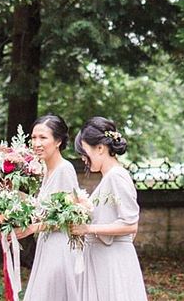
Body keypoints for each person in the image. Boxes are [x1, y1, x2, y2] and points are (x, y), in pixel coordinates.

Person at [71, 116, 147, 301]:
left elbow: (131, 225)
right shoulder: (109, 178)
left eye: (84, 151)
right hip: (102, 259)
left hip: (112, 262)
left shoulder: (116, 177)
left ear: (99, 148)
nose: (83, 158)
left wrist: (88, 228)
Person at [20, 114, 80, 301]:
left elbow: (68, 216)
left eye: (43, 138)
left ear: (58, 141)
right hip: (47, 245)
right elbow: (44, 210)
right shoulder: (46, 171)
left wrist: (33, 228)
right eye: (33, 137)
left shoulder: (65, 169)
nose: (36, 143)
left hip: (60, 247)